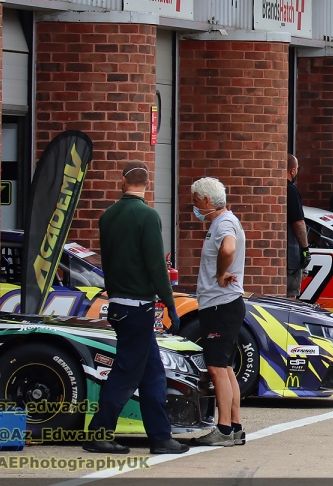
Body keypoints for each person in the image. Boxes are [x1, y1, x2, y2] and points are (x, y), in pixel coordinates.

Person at [84, 161, 187, 455]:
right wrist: (170, 304)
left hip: (118, 303)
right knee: (127, 372)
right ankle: (100, 432)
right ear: (147, 183)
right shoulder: (148, 216)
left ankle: (160, 436)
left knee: (152, 371)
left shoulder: (108, 216)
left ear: (122, 181)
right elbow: (157, 267)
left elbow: (108, 260)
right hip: (139, 306)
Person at [190, 177, 246, 447]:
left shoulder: (223, 222)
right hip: (224, 304)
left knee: (216, 367)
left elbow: (229, 247)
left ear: (206, 201)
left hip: (220, 304)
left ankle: (223, 428)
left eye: (195, 201)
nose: (194, 206)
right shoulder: (223, 221)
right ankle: (234, 425)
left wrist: (222, 272)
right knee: (225, 367)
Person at [286, 154, 308, 299]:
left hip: (280, 256)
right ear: (292, 171)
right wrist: (305, 250)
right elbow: (298, 222)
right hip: (291, 258)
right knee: (290, 301)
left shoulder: (275, 189)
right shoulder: (291, 191)